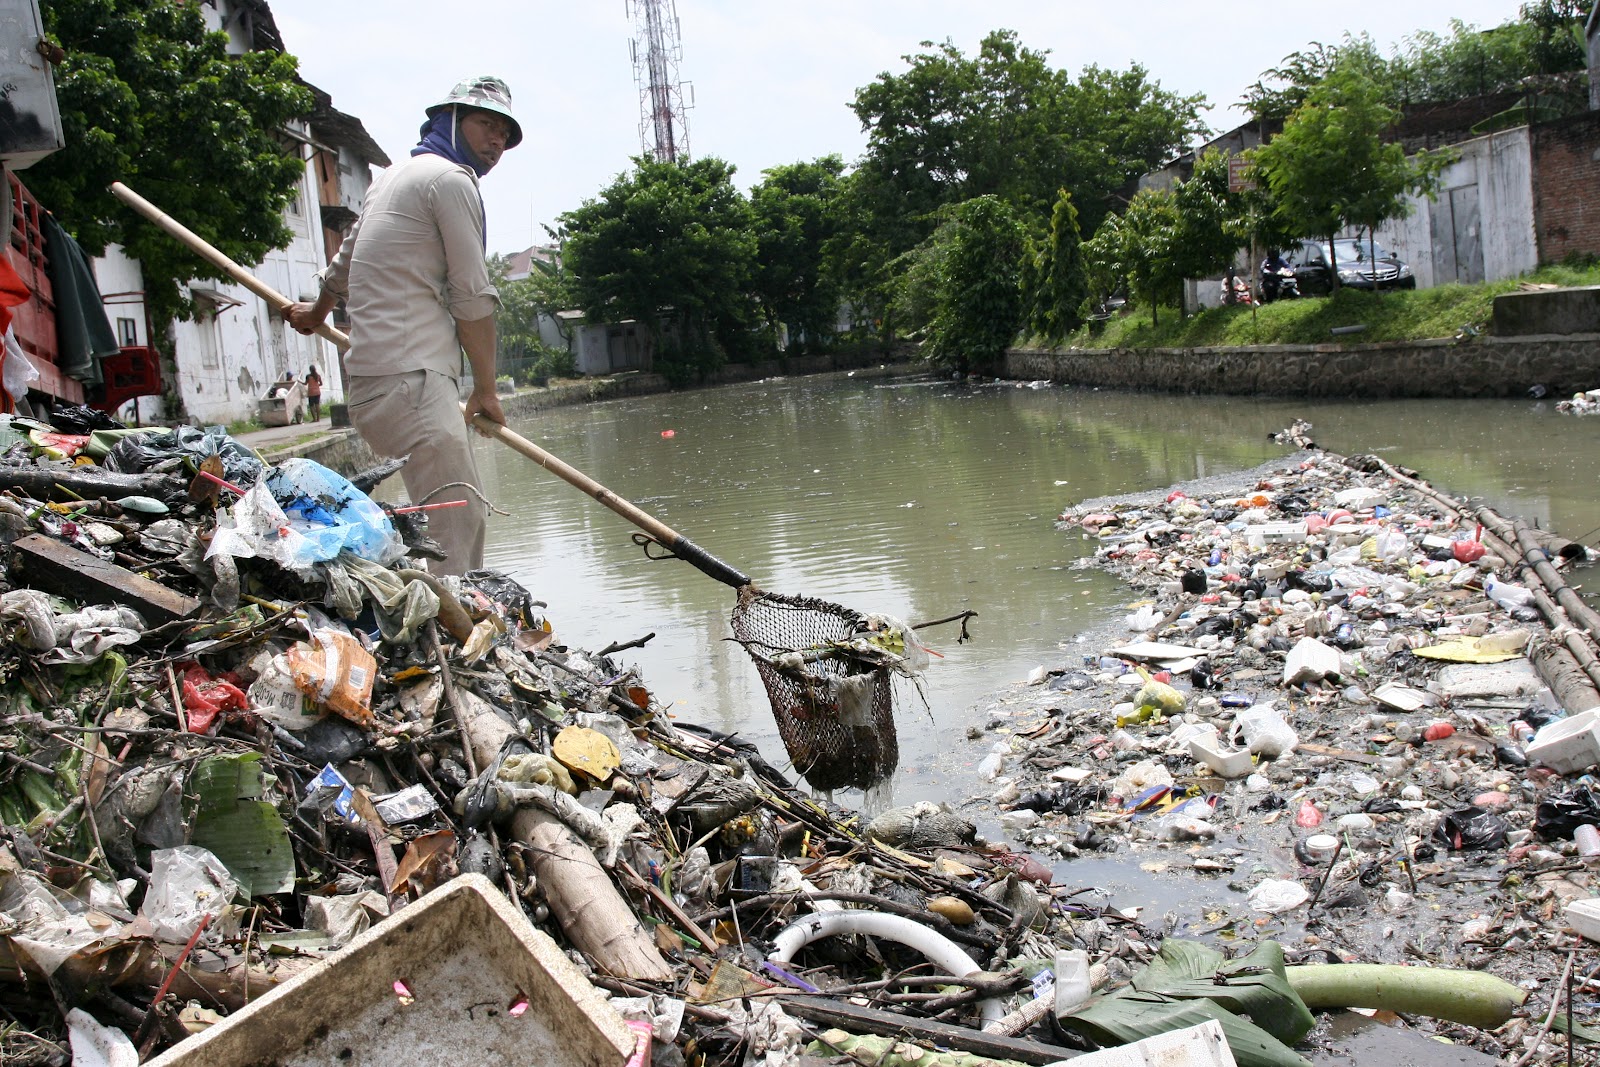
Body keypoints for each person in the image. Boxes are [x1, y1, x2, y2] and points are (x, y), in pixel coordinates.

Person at [288, 76, 521, 576]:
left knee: (443, 517)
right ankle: (460, 642)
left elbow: (343, 264)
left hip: (375, 391)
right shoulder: (451, 182)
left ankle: (438, 614)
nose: (497, 139)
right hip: (411, 383)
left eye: (505, 131)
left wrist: (316, 313)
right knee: (458, 521)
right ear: (448, 121)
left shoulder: (391, 178)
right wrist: (486, 389)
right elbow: (473, 297)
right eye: (486, 123)